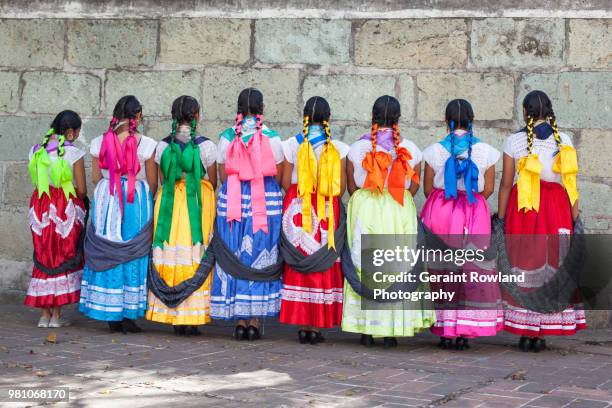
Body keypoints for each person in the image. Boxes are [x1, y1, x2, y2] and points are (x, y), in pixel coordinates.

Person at [344, 95, 436, 348]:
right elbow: (415, 185)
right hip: (398, 207)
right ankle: (393, 329)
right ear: (398, 117)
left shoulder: (356, 148)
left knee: (365, 263)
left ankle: (366, 328)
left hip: (367, 206)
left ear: (373, 115)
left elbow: (351, 184)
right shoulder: (412, 149)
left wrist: (368, 196)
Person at [498, 90, 585, 352]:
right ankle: (542, 333)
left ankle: (526, 331)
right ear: (549, 110)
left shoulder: (514, 141)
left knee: (524, 263)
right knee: (551, 265)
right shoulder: (564, 139)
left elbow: (505, 184)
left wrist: (500, 218)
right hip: (557, 208)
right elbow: (570, 183)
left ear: (525, 112)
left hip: (525, 208)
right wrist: (575, 217)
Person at [420, 99, 503, 350]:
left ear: (446, 121)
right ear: (472, 120)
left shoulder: (433, 151)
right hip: (473, 210)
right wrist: (470, 201)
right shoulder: (487, 151)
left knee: (441, 269)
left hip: (442, 208)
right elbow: (488, 188)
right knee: (472, 268)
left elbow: (426, 188)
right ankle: (466, 329)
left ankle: (446, 330)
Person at [80, 95, 158, 334]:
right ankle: (128, 313)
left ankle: (109, 310)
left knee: (107, 248)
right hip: (136, 200)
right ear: (138, 116)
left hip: (108, 197)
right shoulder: (146, 144)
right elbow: (153, 182)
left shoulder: (97, 142)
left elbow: (95, 178)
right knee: (133, 253)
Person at [211, 88, 284, 341]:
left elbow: (222, 173)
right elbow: (279, 172)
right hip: (263, 199)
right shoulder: (272, 138)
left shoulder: (227, 137)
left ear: (239, 108)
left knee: (235, 251)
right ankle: (254, 319)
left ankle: (238, 320)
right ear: (262, 108)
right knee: (259, 252)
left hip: (232, 199)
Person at [146, 96, 217, 335]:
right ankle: (192, 316)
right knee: (195, 253)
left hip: (168, 204)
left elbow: (162, 181)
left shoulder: (163, 146)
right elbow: (213, 181)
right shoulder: (206, 146)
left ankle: (171, 313)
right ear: (197, 115)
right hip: (196, 203)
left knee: (170, 253)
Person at [279, 96, 348, 344]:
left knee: (299, 259)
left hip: (297, 206)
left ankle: (301, 323)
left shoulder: (290, 145)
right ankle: (316, 326)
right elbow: (340, 188)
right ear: (328, 119)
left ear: (304, 116)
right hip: (326, 210)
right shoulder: (338, 147)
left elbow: (285, 182)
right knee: (323, 261)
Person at [26, 111, 87, 328]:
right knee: (61, 254)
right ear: (70, 132)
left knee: (44, 253)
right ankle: (57, 316)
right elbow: (81, 189)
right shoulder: (74, 153)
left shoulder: (35, 151)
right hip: (64, 207)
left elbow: (37, 181)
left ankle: (44, 315)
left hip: (41, 205)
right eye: (77, 132)